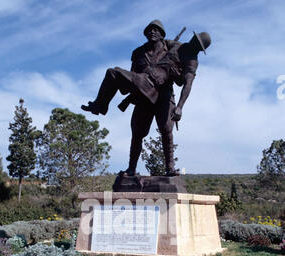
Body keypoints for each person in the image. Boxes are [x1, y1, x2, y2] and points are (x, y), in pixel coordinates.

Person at [81, 20, 211, 176]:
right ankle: (131, 168)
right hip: (144, 89)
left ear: (200, 48)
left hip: (163, 95)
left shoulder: (192, 60)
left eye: (198, 43)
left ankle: (170, 168)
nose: (194, 43)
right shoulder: (173, 45)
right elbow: (150, 55)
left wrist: (180, 107)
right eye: (194, 40)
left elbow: (187, 84)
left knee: (166, 130)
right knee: (137, 132)